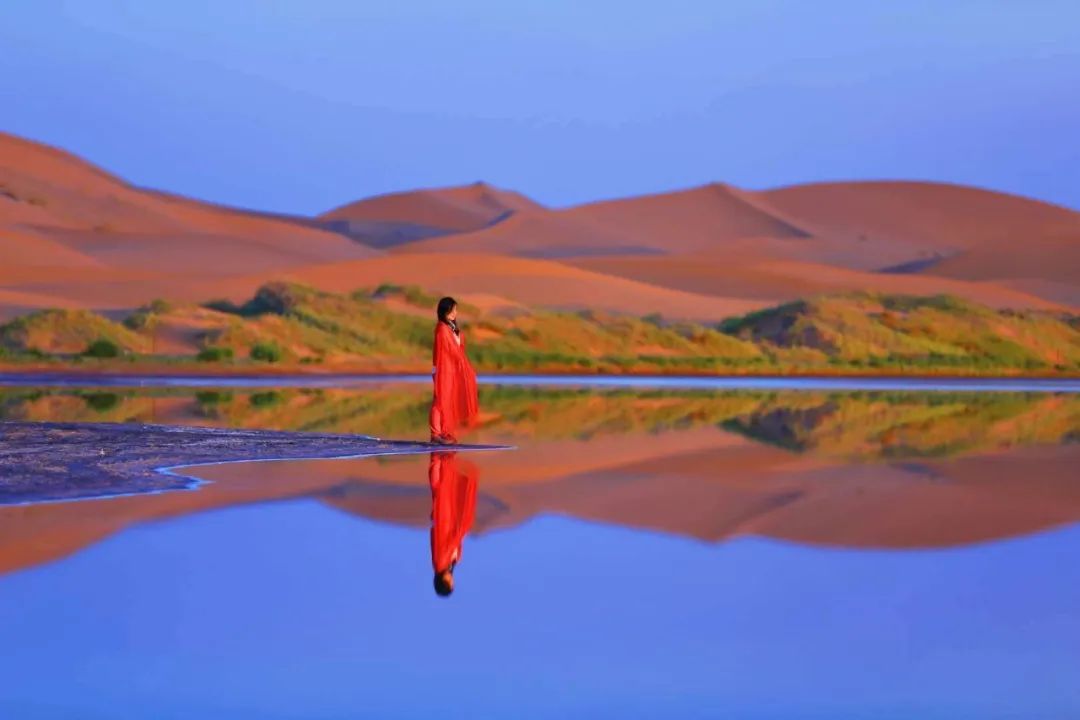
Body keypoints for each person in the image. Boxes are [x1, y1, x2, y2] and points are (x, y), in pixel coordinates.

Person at [429, 296, 479, 445]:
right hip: (443, 369)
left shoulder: (452, 328)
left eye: (456, 310)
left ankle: (444, 432)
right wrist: (464, 365)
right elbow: (451, 351)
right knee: (440, 400)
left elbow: (459, 349)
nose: (455, 313)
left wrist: (463, 366)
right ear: (446, 311)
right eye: (453, 310)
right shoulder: (442, 329)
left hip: (452, 370)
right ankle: (435, 434)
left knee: (448, 400)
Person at [429, 451, 478, 597]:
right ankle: (443, 460)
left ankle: (440, 459)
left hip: (446, 523)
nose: (452, 581)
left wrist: (459, 532)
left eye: (450, 583)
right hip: (449, 524)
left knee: (444, 492)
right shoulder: (447, 565)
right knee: (445, 493)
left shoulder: (440, 564)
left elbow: (448, 544)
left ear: (444, 582)